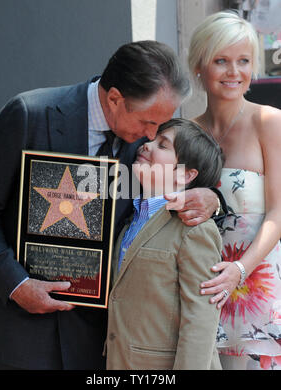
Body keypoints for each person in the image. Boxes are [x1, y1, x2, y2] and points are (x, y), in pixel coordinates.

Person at [0, 40, 222, 370]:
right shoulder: (30, 114)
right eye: (148, 123)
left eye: (160, 126)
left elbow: (176, 181)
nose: (152, 136)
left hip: (101, 342)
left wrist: (211, 197)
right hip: (23, 333)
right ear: (114, 99)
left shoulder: (143, 147)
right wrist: (16, 284)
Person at [186, 11, 281, 370]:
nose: (234, 72)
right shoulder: (183, 132)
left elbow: (279, 213)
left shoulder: (268, 121)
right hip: (201, 287)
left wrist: (240, 269)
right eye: (221, 61)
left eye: (243, 61)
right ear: (199, 65)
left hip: (257, 286)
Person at [106, 118, 224, 370]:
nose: (146, 145)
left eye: (162, 145)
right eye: (151, 139)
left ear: (186, 174)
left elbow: (201, 318)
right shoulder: (129, 220)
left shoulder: (195, 229)